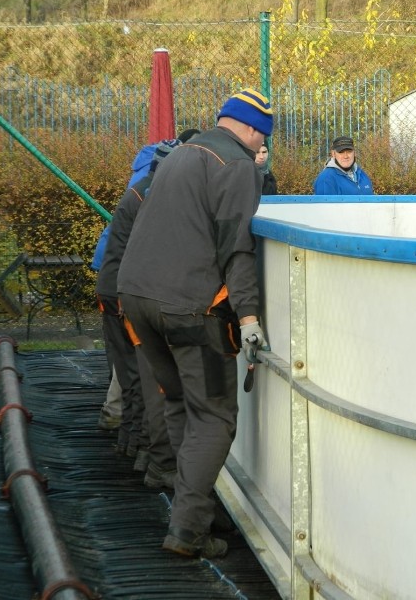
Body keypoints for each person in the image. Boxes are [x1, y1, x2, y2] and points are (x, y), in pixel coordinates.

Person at [118, 88, 272, 559]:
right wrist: (248, 316)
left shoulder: (182, 153)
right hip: (188, 309)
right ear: (252, 130)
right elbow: (237, 246)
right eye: (262, 137)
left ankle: (196, 508)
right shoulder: (238, 166)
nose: (260, 147)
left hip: (137, 300)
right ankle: (187, 532)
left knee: (182, 405)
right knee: (215, 417)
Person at [95, 131, 200, 476]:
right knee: (144, 380)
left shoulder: (142, 189)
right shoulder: (152, 197)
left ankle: (136, 447)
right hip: (127, 294)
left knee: (133, 377)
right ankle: (150, 456)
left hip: (119, 289)